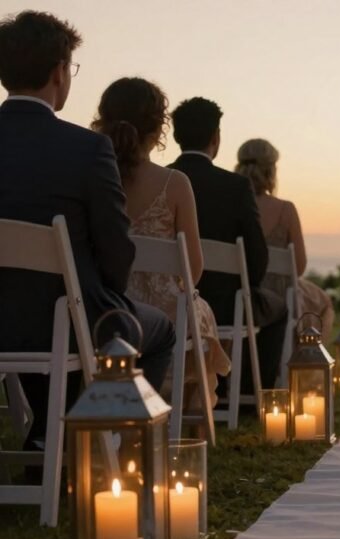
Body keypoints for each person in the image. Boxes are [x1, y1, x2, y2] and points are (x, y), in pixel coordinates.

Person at [0, 11, 175, 453]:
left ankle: (45, 435)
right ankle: (120, 454)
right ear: (59, 72)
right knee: (154, 330)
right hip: (66, 322)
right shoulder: (86, 150)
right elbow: (117, 254)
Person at [92, 77, 230, 409]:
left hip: (100, 308)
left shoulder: (91, 176)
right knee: (200, 311)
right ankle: (182, 412)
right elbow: (192, 271)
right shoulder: (175, 184)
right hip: (166, 317)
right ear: (159, 128)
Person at [168, 97, 284, 396]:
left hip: (172, 302)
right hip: (227, 304)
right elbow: (257, 258)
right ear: (215, 138)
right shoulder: (235, 187)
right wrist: (248, 286)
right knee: (280, 310)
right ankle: (250, 393)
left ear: (177, 136)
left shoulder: (163, 180)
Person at [235, 138, 335, 331]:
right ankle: (303, 358)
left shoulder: (230, 206)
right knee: (324, 303)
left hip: (239, 296)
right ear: (271, 170)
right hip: (281, 298)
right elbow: (299, 266)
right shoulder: (285, 210)